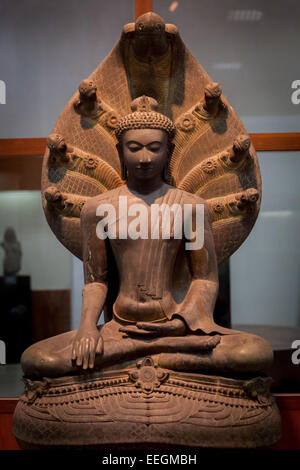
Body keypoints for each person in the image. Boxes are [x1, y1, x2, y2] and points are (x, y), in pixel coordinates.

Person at [21, 96, 272, 378]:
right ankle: (160, 356)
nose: (144, 158)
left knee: (252, 352)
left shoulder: (191, 208)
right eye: (134, 148)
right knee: (38, 359)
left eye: (154, 148)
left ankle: (135, 358)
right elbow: (96, 282)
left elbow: (205, 278)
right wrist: (88, 328)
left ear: (169, 151)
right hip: (120, 330)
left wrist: (180, 323)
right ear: (119, 151)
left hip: (177, 328)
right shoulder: (97, 210)